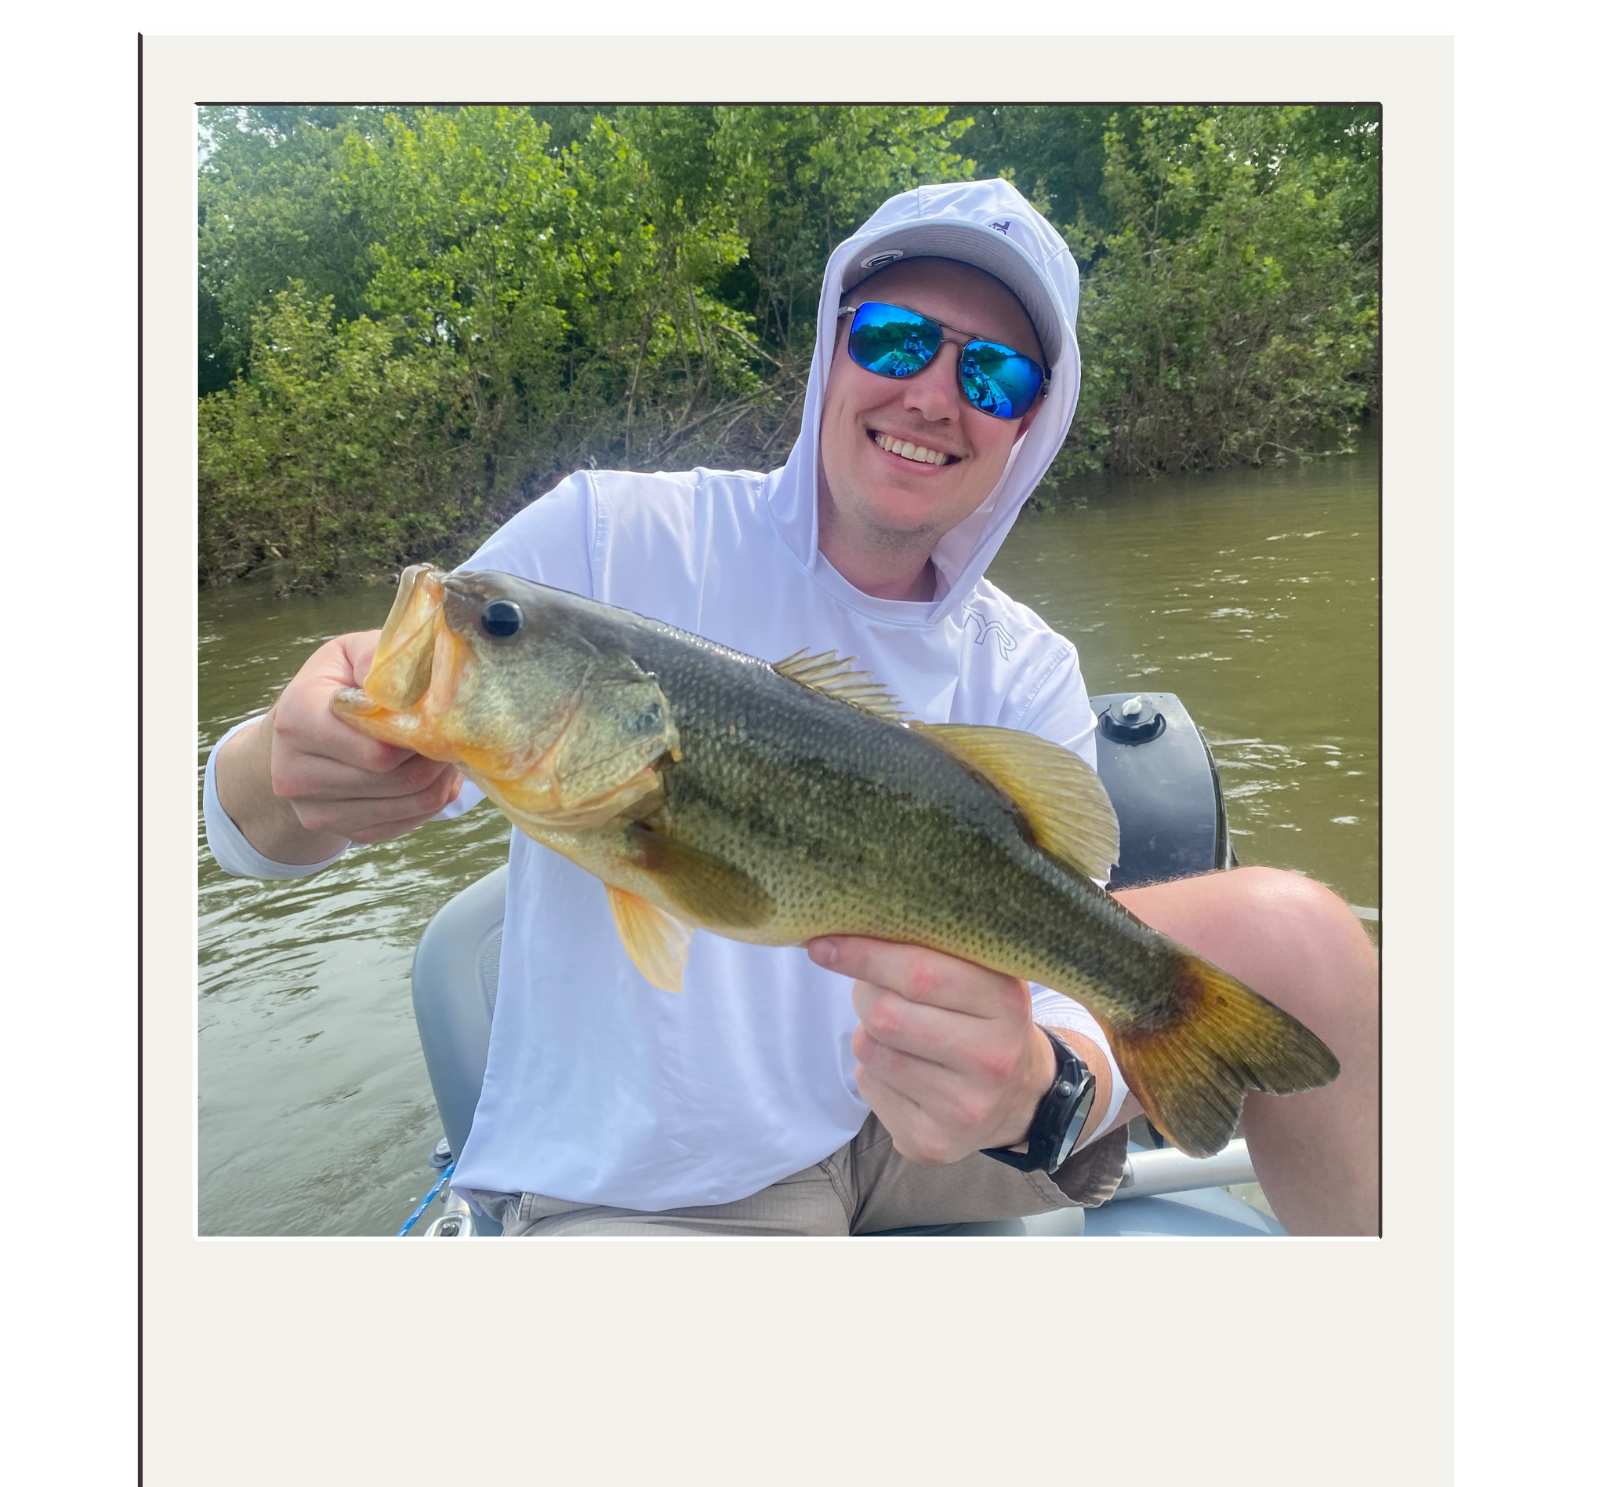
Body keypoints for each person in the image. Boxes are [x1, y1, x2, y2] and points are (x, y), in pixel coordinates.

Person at [206, 178, 1379, 1237]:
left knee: (1301, 934)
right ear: (830, 349)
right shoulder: (606, 539)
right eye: (896, 337)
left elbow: (1057, 969)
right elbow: (256, 826)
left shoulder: (1026, 664)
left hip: (913, 1124)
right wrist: (288, 763)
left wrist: (1039, 1085)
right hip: (670, 1173)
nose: (932, 394)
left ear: (1029, 423)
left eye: (993, 373)